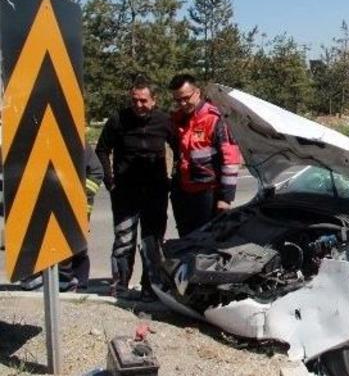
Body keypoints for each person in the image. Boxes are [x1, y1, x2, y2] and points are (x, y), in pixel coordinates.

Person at [96, 78, 174, 300]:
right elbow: (102, 150)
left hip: (155, 192)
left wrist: (173, 180)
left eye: (143, 100)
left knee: (152, 241)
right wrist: (110, 181)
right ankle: (120, 285)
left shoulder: (164, 121)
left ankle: (150, 287)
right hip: (125, 193)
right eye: (134, 100)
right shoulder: (118, 120)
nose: (138, 105)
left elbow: (180, 148)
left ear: (154, 100)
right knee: (123, 240)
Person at [21, 145, 103, 292]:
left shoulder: (78, 142)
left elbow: (96, 172)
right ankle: (40, 280)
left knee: (74, 247)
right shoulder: (38, 140)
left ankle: (73, 283)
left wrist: (79, 196)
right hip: (46, 206)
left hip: (76, 208)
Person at [168, 74, 241, 237]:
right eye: (178, 100)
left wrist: (226, 197)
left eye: (186, 98)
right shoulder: (177, 119)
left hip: (207, 194)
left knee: (205, 243)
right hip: (183, 193)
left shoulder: (215, 119)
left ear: (197, 92)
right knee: (186, 240)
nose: (182, 103)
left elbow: (230, 160)